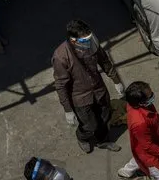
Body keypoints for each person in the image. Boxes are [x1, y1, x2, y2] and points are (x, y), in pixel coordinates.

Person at [52, 19, 125, 153]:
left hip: (98, 89)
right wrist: (68, 109)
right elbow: (61, 85)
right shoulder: (61, 56)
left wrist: (116, 80)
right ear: (73, 41)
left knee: (105, 116)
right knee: (90, 125)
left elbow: (104, 61)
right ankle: (82, 137)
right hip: (80, 97)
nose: (88, 42)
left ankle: (103, 141)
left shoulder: (92, 43)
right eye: (84, 40)